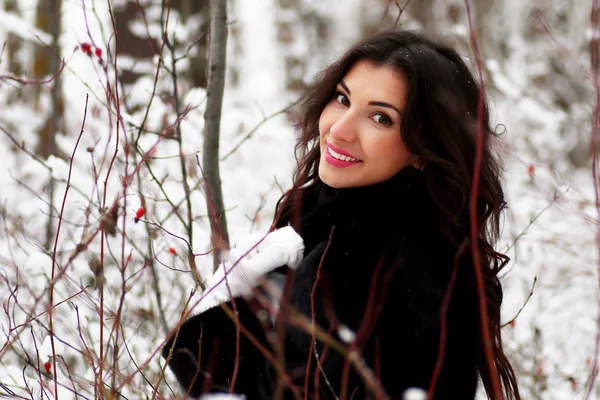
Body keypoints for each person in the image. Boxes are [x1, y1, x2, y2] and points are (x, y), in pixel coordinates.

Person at [162, 29, 521, 399]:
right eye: (342, 98)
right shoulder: (415, 236)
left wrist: (231, 299)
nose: (339, 128)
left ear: (423, 150)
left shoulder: (365, 256)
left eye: (381, 118)